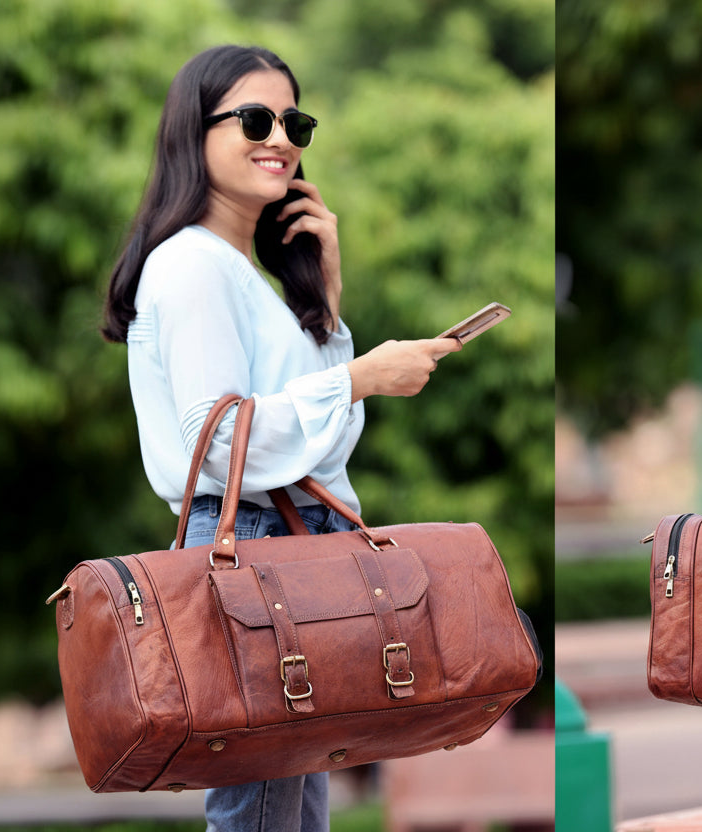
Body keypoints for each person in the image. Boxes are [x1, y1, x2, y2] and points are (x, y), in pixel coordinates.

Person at [101, 45, 460, 832]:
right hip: (254, 547)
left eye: (294, 122)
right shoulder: (192, 266)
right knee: (261, 805)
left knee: (292, 800)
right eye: (256, 119)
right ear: (194, 133)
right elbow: (223, 440)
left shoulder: (245, 275)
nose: (282, 139)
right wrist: (359, 376)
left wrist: (325, 299)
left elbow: (321, 449)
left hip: (286, 541)